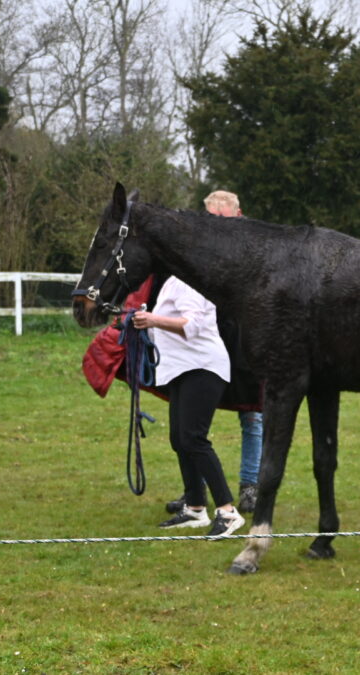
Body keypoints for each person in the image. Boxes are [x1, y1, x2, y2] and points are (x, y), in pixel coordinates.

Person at [164, 190, 264, 515]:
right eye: (212, 219)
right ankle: (194, 491)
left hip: (245, 338)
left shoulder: (254, 247)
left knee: (253, 414)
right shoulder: (194, 247)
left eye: (224, 219)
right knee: (189, 422)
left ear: (238, 215)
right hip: (202, 339)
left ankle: (250, 486)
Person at [132, 274, 246, 537]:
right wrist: (137, 323)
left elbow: (191, 325)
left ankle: (228, 512)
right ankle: (195, 508)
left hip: (202, 367)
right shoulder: (172, 281)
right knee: (180, 439)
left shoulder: (189, 281)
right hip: (182, 369)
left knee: (193, 439)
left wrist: (152, 319)